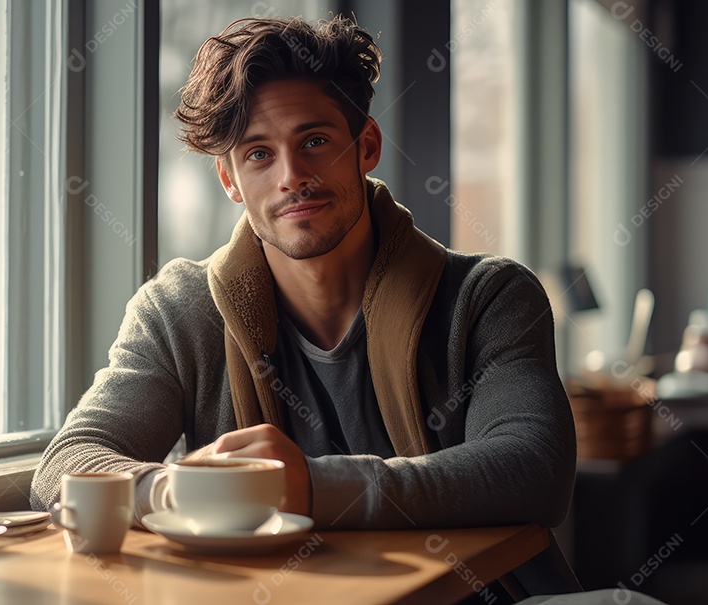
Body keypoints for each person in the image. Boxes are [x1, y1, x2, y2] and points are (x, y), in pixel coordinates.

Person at [31, 14, 578, 594]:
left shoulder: (489, 295)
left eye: (314, 141)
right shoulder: (178, 310)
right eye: (259, 154)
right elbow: (67, 462)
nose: (292, 177)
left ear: (365, 146)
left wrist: (308, 488)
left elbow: (534, 468)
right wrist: (171, 490)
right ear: (230, 180)